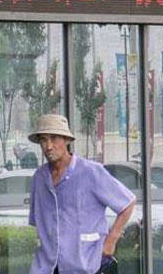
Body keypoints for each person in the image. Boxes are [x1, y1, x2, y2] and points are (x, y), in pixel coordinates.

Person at [27, 114, 135, 274]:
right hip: (46, 267)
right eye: (43, 140)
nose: (48, 146)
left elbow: (127, 203)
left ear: (66, 140)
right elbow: (39, 223)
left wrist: (110, 241)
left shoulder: (90, 171)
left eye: (54, 138)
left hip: (85, 265)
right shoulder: (39, 178)